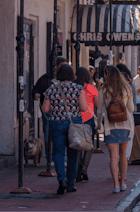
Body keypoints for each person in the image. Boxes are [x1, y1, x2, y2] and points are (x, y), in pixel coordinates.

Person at [42, 64, 88, 195]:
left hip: (56, 123)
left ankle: (61, 180)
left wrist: (56, 109)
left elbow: (45, 109)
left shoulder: (51, 89)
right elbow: (84, 108)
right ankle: (71, 184)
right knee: (73, 153)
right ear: (72, 75)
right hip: (74, 123)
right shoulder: (78, 88)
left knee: (58, 153)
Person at [96, 65, 135, 193]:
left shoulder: (104, 90)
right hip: (125, 125)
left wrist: (98, 124)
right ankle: (123, 182)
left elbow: (100, 111)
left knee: (113, 156)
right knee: (123, 156)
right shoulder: (127, 89)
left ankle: (116, 185)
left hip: (110, 126)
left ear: (108, 75)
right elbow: (131, 109)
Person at [32, 56, 69, 155]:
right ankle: (50, 156)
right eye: (62, 66)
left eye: (66, 66)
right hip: (48, 112)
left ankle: (61, 156)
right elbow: (36, 89)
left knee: (63, 136)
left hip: (63, 113)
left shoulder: (68, 79)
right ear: (55, 66)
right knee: (48, 135)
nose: (64, 68)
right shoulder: (46, 78)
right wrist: (36, 95)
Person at [74, 67, 98, 183]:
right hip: (89, 118)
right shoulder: (91, 88)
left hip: (77, 118)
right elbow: (98, 103)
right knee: (89, 144)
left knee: (77, 143)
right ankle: (84, 167)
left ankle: (77, 171)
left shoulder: (74, 88)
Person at [116, 64, 137, 163]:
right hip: (127, 117)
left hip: (112, 118)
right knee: (126, 145)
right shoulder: (130, 86)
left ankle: (116, 173)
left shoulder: (110, 86)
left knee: (114, 148)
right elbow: (133, 105)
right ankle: (123, 167)